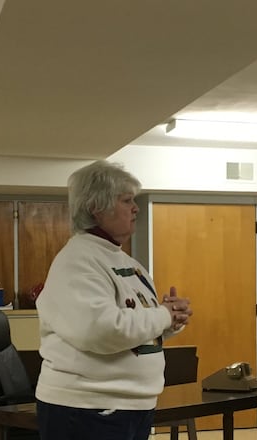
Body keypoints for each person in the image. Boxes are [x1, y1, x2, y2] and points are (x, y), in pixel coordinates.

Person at [34, 160, 193, 440]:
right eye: (127, 200)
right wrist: (163, 315)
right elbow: (101, 330)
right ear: (98, 207)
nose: (136, 208)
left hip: (128, 405)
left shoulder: (127, 263)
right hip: (88, 409)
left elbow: (139, 327)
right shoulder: (77, 261)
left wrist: (171, 320)